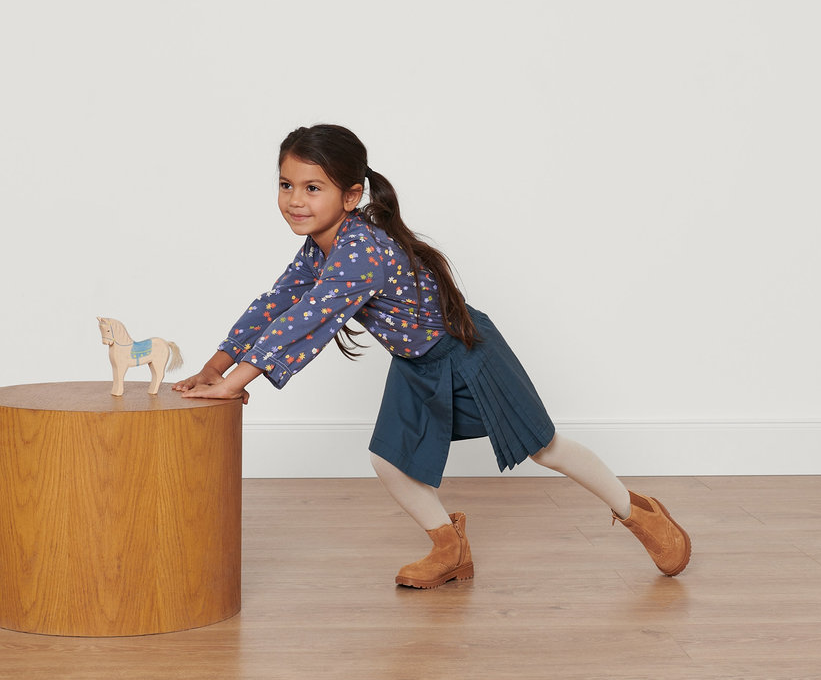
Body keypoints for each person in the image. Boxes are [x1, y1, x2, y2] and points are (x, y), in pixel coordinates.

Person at [174, 124, 691, 588]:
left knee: (544, 446)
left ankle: (638, 513)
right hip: (416, 363)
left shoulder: (362, 253)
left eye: (313, 188)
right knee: (389, 459)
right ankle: (451, 548)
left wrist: (238, 379)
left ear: (351, 195)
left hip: (466, 352)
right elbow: (278, 303)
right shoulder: (320, 247)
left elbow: (309, 318)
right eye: (286, 185)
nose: (295, 200)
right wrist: (215, 368)